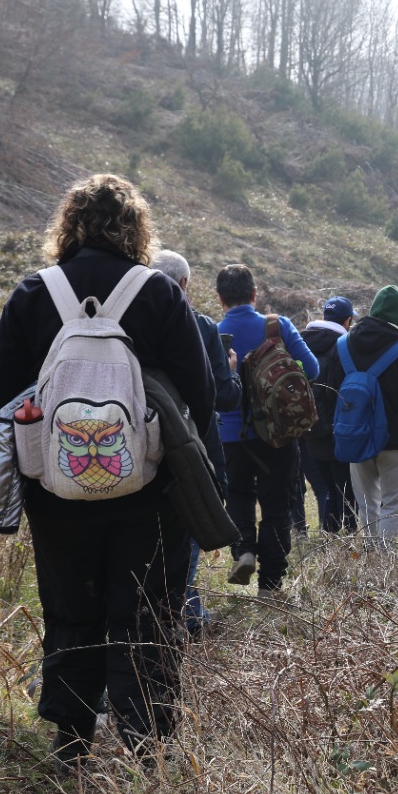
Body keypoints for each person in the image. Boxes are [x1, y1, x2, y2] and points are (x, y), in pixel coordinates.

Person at [0, 174, 214, 766]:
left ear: (68, 225)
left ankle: (72, 736)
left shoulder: (36, 292)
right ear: (136, 229)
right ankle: (148, 745)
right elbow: (202, 393)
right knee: (148, 606)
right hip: (150, 490)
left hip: (56, 487)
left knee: (70, 601)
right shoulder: (160, 294)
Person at [151, 249, 241, 635]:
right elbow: (226, 396)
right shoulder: (202, 327)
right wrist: (233, 370)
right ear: (184, 284)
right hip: (191, 449)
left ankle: (182, 617)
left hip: (136, 450)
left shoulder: (125, 320)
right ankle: (186, 622)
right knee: (183, 539)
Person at [216, 264, 320, 595]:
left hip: (230, 435)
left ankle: (244, 549)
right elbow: (312, 369)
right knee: (277, 504)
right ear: (254, 294)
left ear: (220, 298)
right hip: (277, 434)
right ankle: (271, 585)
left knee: (238, 495)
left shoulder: (213, 333)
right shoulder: (277, 326)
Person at [318, 285, 398, 549]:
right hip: (394, 440)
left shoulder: (343, 345)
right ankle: (385, 563)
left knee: (366, 502)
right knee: (392, 502)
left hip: (355, 437)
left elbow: (329, 391)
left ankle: (370, 559)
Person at [298, 296, 358, 537]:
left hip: (306, 429)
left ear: (323, 317)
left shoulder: (300, 342)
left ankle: (328, 536)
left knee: (326, 488)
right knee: (346, 490)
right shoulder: (345, 347)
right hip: (339, 429)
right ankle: (350, 534)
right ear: (348, 320)